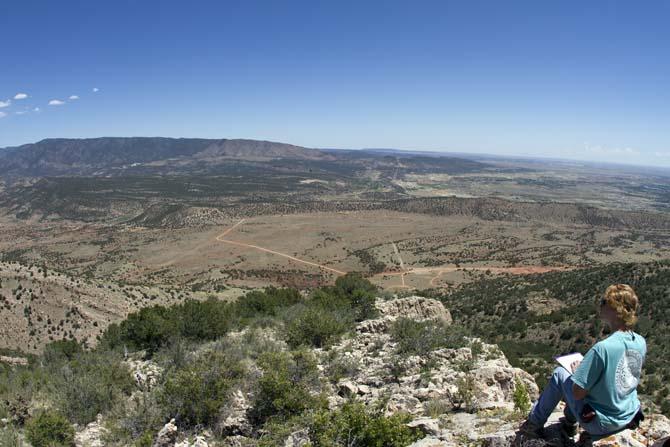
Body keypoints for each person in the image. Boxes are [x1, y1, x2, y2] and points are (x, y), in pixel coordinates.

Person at [520, 284, 646, 441]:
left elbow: (577, 393)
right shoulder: (640, 341)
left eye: (604, 302)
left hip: (603, 423)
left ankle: (533, 424)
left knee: (560, 375)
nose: (601, 305)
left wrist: (577, 374)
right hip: (629, 414)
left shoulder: (602, 349)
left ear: (615, 310)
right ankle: (568, 423)